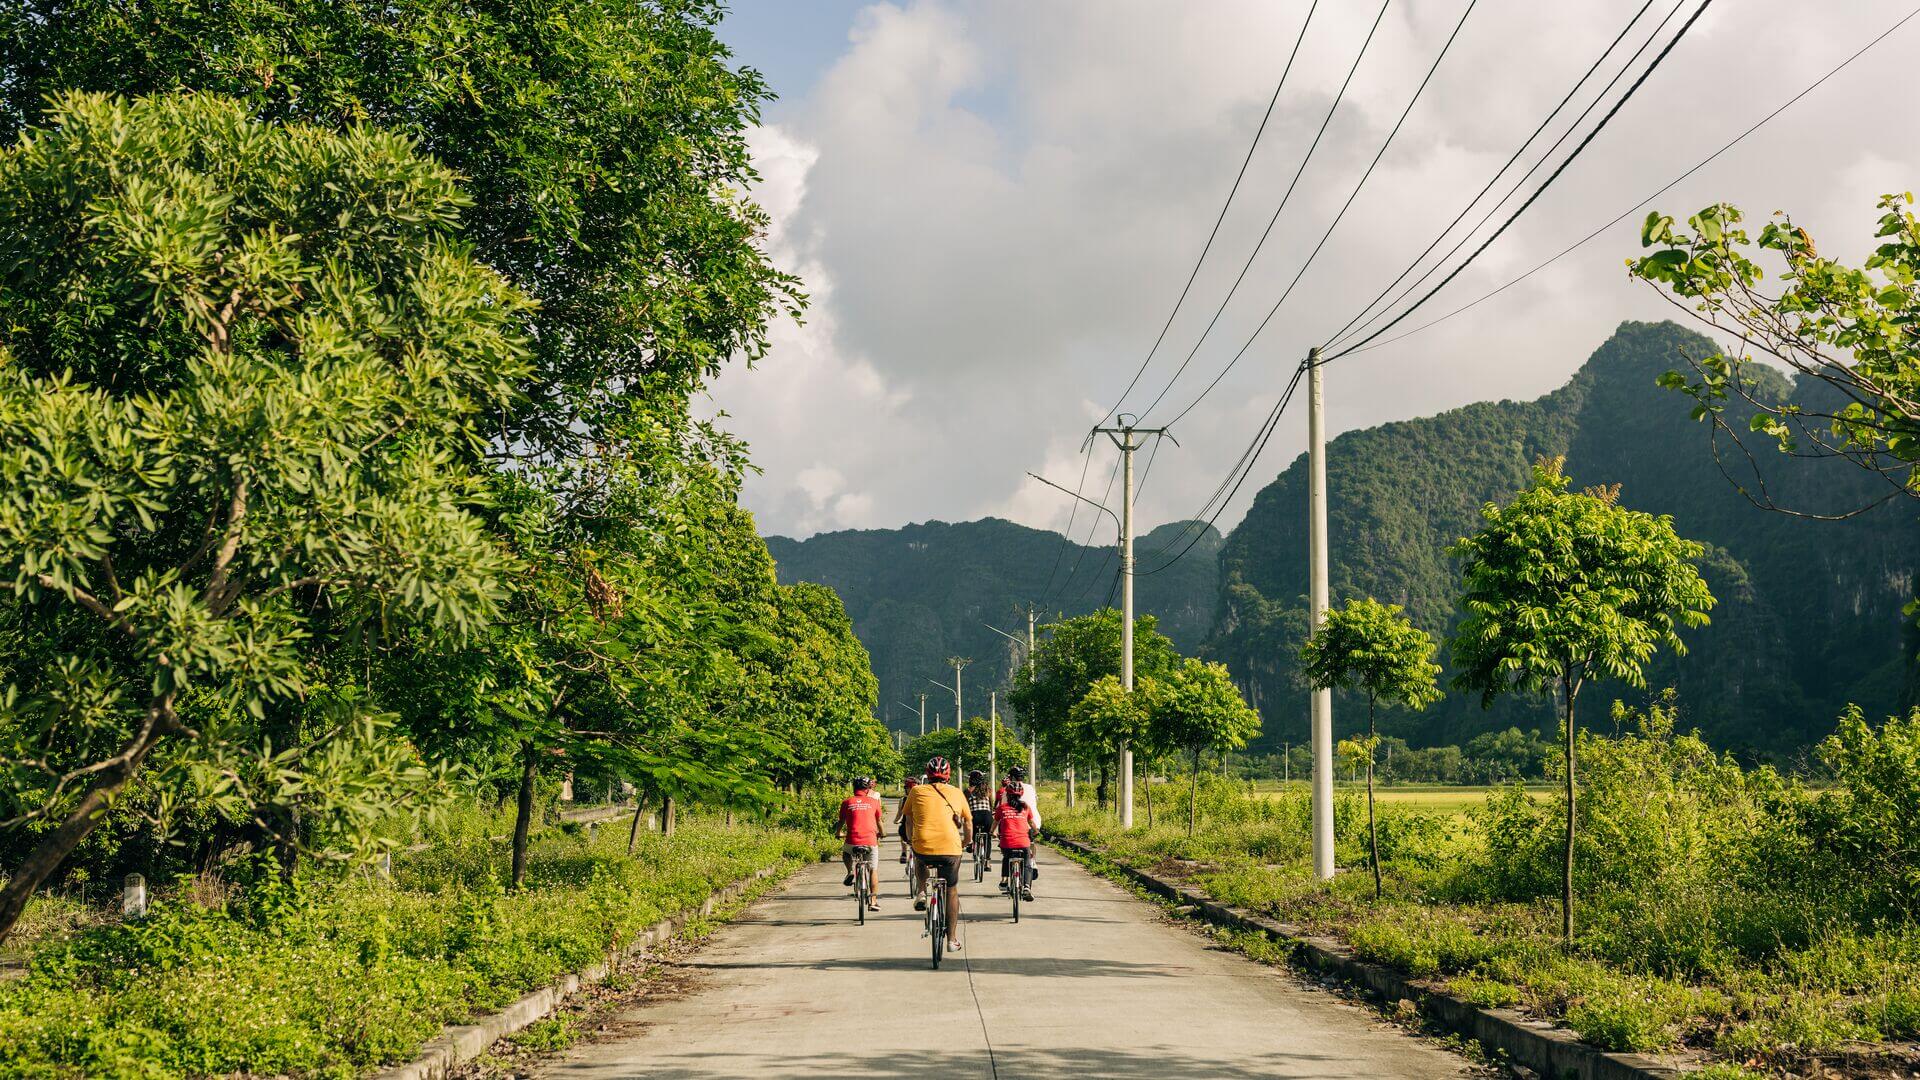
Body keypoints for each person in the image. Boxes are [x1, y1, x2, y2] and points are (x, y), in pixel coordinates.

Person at [898, 756, 970, 952]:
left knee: (920, 858)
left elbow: (908, 820)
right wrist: (964, 843)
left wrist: (912, 840)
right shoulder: (956, 792)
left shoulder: (916, 791)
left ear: (927, 774)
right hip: (950, 849)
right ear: (949, 774)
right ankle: (951, 940)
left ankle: (921, 891)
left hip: (923, 844)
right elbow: (968, 824)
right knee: (952, 890)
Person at [839, 777, 883, 911]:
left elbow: (841, 821)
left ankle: (850, 871)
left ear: (854, 788)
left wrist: (838, 832)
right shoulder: (874, 802)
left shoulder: (847, 802)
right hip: (870, 841)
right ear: (868, 789)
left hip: (852, 841)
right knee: (873, 870)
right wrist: (882, 833)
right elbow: (879, 821)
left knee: (846, 852)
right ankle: (873, 901)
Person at [996, 765, 1040, 887]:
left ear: (1012, 777)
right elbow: (1035, 803)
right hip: (1033, 820)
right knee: (1030, 843)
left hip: (1014, 824)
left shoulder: (1007, 790)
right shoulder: (1030, 788)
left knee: (1006, 838)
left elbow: (1003, 810)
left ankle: (1005, 877)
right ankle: (1033, 862)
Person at [995, 787, 1038, 901]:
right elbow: (1032, 823)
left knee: (1006, 857)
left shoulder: (1002, 808)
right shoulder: (1025, 807)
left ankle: (1004, 880)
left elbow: (995, 822)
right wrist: (1036, 831)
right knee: (1027, 862)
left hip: (1007, 842)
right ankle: (1027, 887)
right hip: (1023, 842)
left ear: (1007, 795)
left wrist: (991, 832)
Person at [964, 769, 994, 860]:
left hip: (974, 816)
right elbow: (990, 804)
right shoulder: (988, 790)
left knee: (973, 833)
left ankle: (971, 843)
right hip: (987, 816)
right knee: (988, 838)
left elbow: (965, 806)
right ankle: (987, 862)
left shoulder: (967, 791)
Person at [894, 775, 920, 865]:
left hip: (907, 824)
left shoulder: (903, 799)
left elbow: (899, 812)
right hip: (919, 825)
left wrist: (895, 820)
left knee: (902, 832)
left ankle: (904, 852)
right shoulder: (922, 798)